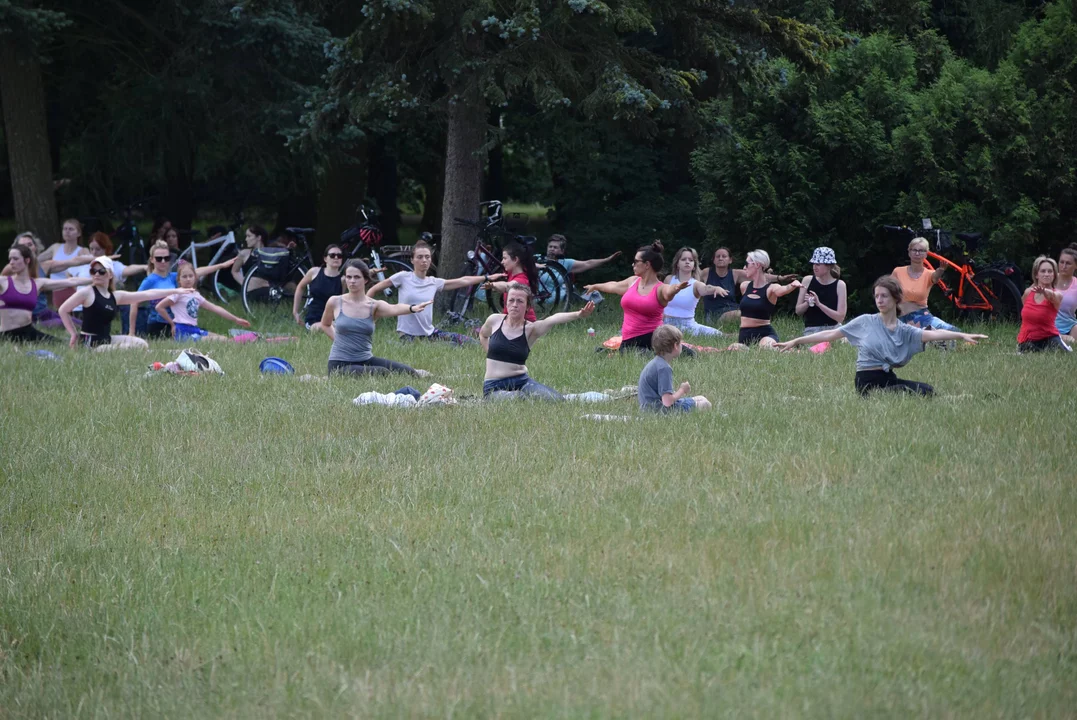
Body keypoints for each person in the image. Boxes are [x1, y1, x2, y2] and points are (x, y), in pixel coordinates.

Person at [776, 275, 987, 396]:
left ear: (896, 299)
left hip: (887, 379)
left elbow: (930, 334)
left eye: (884, 296)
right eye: (877, 296)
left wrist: (960, 336)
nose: (880, 300)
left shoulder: (904, 329)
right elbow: (831, 333)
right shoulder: (865, 321)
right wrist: (796, 340)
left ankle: (964, 397)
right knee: (921, 392)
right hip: (867, 383)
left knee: (926, 390)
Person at [365, 239, 504, 345]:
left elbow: (462, 280)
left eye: (427, 257)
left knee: (468, 342)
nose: (424, 260)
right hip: (408, 336)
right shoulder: (403, 277)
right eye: (419, 257)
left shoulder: (433, 282)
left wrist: (486, 277)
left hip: (430, 333)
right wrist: (362, 311)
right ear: (412, 260)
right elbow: (374, 289)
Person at [479, 283, 595, 400]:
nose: (514, 305)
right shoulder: (494, 320)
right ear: (506, 302)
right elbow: (483, 335)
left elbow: (553, 319)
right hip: (494, 387)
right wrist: (490, 352)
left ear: (528, 306)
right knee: (520, 399)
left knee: (555, 399)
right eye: (511, 300)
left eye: (520, 301)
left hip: (521, 381)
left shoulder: (531, 329)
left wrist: (579, 314)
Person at [319, 259, 433, 377]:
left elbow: (394, 308)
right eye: (349, 277)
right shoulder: (335, 301)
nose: (352, 281)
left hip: (366, 360)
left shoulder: (373, 306)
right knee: (382, 373)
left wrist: (412, 308)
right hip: (340, 365)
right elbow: (325, 324)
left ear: (366, 280)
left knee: (409, 372)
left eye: (357, 277)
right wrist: (338, 340)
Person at [59, 257, 192, 350]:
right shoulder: (87, 292)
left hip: (106, 339)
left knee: (141, 344)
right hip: (91, 343)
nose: (97, 274)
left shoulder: (115, 296)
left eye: (101, 271)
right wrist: (73, 333)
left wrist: (176, 290)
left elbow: (146, 294)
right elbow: (63, 310)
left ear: (110, 274)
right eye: (93, 271)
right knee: (129, 348)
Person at [583, 241, 689, 353]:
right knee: (635, 353)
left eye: (636, 261)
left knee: (685, 354)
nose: (633, 264)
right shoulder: (633, 282)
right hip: (630, 341)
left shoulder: (660, 288)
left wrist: (675, 288)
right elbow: (614, 285)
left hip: (656, 338)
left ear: (647, 265)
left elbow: (668, 291)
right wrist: (595, 286)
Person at [129, 240, 237, 338]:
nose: (163, 261)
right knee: (205, 338)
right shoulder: (149, 281)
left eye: (166, 258)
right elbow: (134, 302)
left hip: (179, 324)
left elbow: (196, 272)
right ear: (152, 260)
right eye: (159, 258)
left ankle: (237, 338)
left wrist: (221, 265)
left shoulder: (172, 277)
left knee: (212, 337)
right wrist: (131, 333)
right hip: (159, 326)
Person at [0, 245, 90, 342]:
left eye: (15, 259)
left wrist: (96, 280)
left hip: (29, 332)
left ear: (27, 260)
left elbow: (72, 281)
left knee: (65, 342)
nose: (11, 263)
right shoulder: (3, 282)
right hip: (6, 335)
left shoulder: (38, 283)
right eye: (10, 259)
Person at [154, 262, 252, 341]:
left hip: (194, 329)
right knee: (218, 341)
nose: (188, 279)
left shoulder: (196, 295)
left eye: (190, 276)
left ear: (195, 278)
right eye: (184, 276)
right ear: (179, 280)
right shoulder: (177, 293)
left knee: (224, 339)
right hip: (182, 331)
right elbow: (159, 307)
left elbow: (215, 308)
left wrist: (236, 319)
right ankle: (249, 339)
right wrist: (172, 323)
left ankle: (252, 338)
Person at [701, 247, 794, 325]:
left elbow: (759, 275)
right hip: (714, 314)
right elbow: (694, 285)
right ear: (713, 260)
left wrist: (779, 278)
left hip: (733, 308)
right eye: (717, 256)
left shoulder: (735, 274)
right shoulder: (706, 273)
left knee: (751, 310)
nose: (720, 258)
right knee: (743, 314)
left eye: (724, 256)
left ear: (730, 260)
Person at [734, 249, 802, 347]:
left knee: (766, 347)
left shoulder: (771, 289)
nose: (744, 267)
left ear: (757, 265)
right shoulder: (744, 286)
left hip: (765, 335)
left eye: (747, 263)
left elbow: (782, 290)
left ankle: (789, 350)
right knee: (735, 348)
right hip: (744, 335)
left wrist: (792, 285)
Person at [638, 325, 712, 413]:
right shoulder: (664, 368)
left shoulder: (657, 363)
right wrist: (682, 390)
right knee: (705, 405)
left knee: (701, 398)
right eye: (681, 343)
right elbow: (667, 402)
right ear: (675, 346)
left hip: (648, 407)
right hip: (658, 411)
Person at [893, 236, 959, 331]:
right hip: (901, 318)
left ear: (926, 254)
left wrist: (941, 270)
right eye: (914, 250)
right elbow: (887, 291)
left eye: (921, 251)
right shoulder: (898, 271)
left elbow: (935, 278)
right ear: (909, 252)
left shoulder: (929, 274)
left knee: (953, 331)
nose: (917, 253)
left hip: (922, 316)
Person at [661, 247, 725, 337]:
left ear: (694, 265)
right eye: (683, 259)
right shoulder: (669, 279)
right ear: (677, 264)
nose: (687, 262)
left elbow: (706, 288)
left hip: (688, 325)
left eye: (690, 260)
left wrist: (715, 288)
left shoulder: (696, 284)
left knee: (718, 334)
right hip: (666, 324)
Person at [1017, 256, 1070, 353]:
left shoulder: (1057, 295)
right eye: (1043, 271)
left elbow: (1052, 296)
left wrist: (1044, 291)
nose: (1046, 274)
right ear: (1036, 275)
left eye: (1050, 271)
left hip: (1050, 338)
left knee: (1062, 353)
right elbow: (1025, 307)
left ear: (1054, 275)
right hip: (1028, 340)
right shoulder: (1028, 292)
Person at [38, 218, 92, 308]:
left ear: (79, 233)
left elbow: (89, 269)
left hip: (74, 289)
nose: (67, 232)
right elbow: (36, 260)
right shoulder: (55, 247)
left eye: (71, 229)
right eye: (65, 229)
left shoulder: (82, 251)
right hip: (56, 290)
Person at [794, 246, 848, 335]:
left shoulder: (840, 285)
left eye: (818, 264)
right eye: (813, 264)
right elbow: (798, 311)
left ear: (828, 266)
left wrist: (819, 304)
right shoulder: (807, 280)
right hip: (812, 330)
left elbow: (840, 318)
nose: (814, 267)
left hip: (834, 329)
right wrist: (808, 303)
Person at [483, 241, 540, 322]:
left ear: (516, 259)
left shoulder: (522, 280)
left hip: (524, 324)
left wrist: (493, 285)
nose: (502, 262)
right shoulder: (511, 272)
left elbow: (507, 286)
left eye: (505, 258)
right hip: (510, 321)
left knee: (492, 320)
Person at [293, 244, 345, 330]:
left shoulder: (343, 280)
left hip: (331, 318)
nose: (336, 258)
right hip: (314, 318)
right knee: (328, 327)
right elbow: (300, 287)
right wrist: (295, 311)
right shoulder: (314, 272)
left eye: (339, 256)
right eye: (332, 255)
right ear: (325, 259)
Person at [1055, 244, 1077, 344]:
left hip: (1070, 326)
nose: (1063, 266)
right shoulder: (1048, 278)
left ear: (1075, 266)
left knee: (1073, 339)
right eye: (1061, 262)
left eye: (1068, 263)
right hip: (1048, 324)